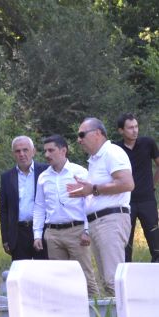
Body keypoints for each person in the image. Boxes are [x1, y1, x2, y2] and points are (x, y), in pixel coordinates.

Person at [68, 117, 134, 296]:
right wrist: (86, 191)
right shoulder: (95, 159)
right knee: (107, 279)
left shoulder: (112, 152)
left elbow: (127, 183)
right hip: (100, 222)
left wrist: (93, 189)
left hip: (111, 220)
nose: (79, 140)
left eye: (82, 135)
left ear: (97, 133)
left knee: (114, 280)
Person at [32, 134, 99, 297]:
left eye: (51, 150)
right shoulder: (43, 177)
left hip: (76, 231)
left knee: (85, 276)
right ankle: (66, 316)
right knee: (60, 279)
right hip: (53, 233)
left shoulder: (80, 172)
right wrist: (37, 235)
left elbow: (89, 203)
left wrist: (86, 230)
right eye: (45, 151)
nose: (47, 155)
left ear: (63, 150)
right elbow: (39, 207)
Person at [114, 113, 159, 262]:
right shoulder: (115, 148)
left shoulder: (148, 143)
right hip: (125, 202)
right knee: (126, 243)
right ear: (121, 130)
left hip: (147, 200)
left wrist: (152, 184)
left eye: (136, 126)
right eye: (130, 127)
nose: (134, 130)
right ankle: (127, 278)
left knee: (155, 240)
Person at [0, 136, 49, 260]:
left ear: (33, 151)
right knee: (21, 274)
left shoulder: (45, 172)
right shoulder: (7, 177)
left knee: (43, 272)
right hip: (18, 233)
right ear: (13, 154)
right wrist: (5, 239)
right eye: (17, 151)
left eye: (25, 150)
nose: (22, 154)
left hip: (42, 230)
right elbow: (4, 210)